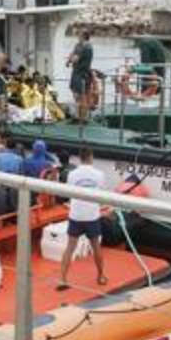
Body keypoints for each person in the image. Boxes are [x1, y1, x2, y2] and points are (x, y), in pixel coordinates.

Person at [58, 149, 107, 290]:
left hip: (76, 215)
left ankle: (62, 279)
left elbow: (68, 193)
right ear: (91, 157)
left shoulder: (72, 174)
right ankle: (101, 276)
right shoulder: (100, 174)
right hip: (92, 216)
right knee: (96, 247)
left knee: (69, 248)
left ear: (79, 158)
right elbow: (101, 195)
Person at [67, 31, 94, 123]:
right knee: (76, 93)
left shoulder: (86, 47)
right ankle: (78, 115)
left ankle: (83, 118)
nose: (78, 37)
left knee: (82, 95)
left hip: (82, 73)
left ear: (84, 36)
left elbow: (76, 58)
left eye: (79, 35)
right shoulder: (78, 45)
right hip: (76, 72)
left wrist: (71, 60)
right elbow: (72, 54)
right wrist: (69, 59)